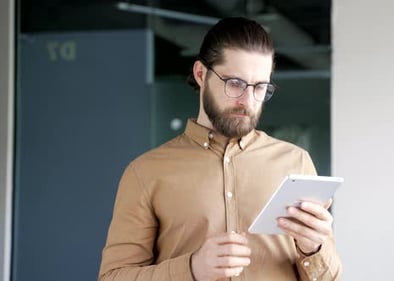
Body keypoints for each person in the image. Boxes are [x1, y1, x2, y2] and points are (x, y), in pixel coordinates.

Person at [98, 17, 342, 281]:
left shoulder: (296, 162)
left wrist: (313, 248)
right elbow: (113, 277)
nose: (248, 101)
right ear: (201, 74)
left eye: (260, 87)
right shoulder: (145, 172)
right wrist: (191, 269)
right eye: (235, 83)